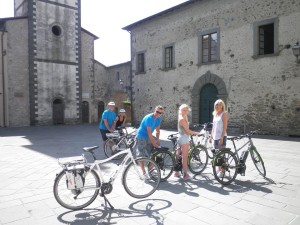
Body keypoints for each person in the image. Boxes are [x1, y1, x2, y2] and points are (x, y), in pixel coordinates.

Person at [135, 105, 164, 179]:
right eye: (157, 112)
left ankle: (150, 168)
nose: (158, 114)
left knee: (157, 150)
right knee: (142, 155)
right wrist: (154, 143)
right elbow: (149, 132)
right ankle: (144, 172)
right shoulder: (149, 118)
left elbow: (157, 131)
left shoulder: (158, 119)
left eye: (160, 113)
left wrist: (157, 140)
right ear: (154, 110)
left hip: (148, 136)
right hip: (141, 136)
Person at [175, 104, 200, 180]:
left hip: (180, 137)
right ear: (180, 110)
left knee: (178, 155)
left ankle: (176, 172)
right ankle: (185, 175)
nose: (185, 111)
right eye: (184, 110)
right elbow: (188, 131)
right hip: (184, 138)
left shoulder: (182, 117)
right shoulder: (182, 119)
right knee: (184, 157)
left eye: (186, 110)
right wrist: (197, 133)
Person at [209, 99, 228, 177]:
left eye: (219, 104)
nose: (217, 106)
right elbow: (213, 127)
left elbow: (225, 127)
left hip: (221, 137)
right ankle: (219, 169)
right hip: (215, 137)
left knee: (222, 154)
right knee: (216, 154)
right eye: (216, 105)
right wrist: (211, 136)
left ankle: (223, 171)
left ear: (222, 106)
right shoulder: (215, 114)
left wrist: (222, 137)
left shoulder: (224, 114)